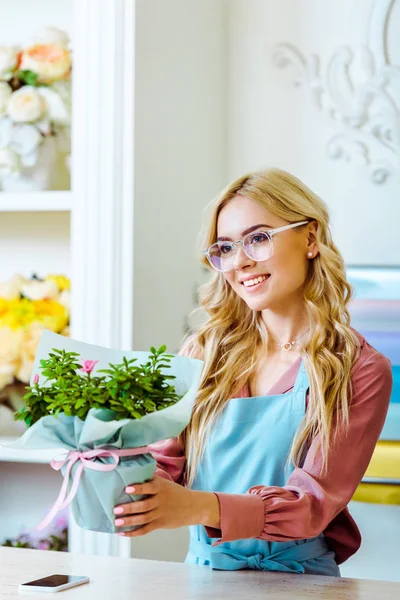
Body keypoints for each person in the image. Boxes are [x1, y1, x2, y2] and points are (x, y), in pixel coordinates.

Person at [113, 168, 393, 576]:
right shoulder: (204, 353)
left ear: (310, 239)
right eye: (224, 248)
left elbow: (311, 506)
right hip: (204, 576)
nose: (240, 261)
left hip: (301, 584)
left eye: (258, 239)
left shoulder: (358, 369)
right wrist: (119, 477)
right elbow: (163, 461)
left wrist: (198, 507)